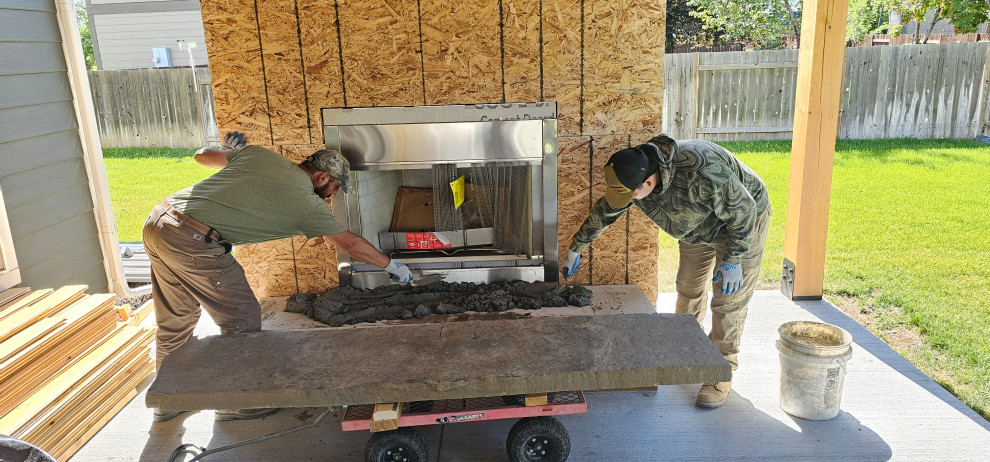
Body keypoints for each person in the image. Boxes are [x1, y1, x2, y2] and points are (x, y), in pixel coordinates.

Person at [143, 132, 412, 422]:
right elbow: (351, 244)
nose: (332, 195)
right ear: (322, 177)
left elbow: (201, 156)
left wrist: (226, 150)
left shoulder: (260, 156)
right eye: (334, 187)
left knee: (176, 319)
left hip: (160, 221)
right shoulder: (306, 204)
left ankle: (167, 400)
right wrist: (392, 266)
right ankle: (237, 402)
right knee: (241, 320)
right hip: (195, 240)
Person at [561, 134, 770, 408]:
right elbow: (606, 210)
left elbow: (744, 210)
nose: (626, 200)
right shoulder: (636, 176)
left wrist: (733, 258)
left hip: (741, 225)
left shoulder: (700, 168)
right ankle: (687, 347)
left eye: (630, 194)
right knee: (688, 287)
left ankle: (720, 371)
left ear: (648, 182)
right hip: (697, 228)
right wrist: (576, 247)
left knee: (728, 300)